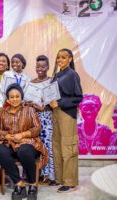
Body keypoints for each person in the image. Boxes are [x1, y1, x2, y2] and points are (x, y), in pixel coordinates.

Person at [0, 83, 48, 200]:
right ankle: (19, 183)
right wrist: (7, 136)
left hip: (28, 141)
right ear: (7, 99)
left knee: (24, 151)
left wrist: (22, 135)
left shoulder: (30, 110)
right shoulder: (2, 112)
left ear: (21, 97)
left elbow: (37, 128)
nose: (14, 99)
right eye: (12, 97)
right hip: (9, 141)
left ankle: (33, 184)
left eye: (17, 96)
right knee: (1, 152)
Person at [49, 48, 83, 193]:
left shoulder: (72, 75)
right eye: (58, 57)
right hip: (55, 113)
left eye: (63, 57)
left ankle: (70, 181)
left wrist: (60, 103)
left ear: (70, 59)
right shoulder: (57, 75)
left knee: (68, 146)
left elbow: (78, 97)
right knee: (57, 145)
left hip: (66, 114)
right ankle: (60, 178)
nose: (60, 60)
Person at [25, 55, 57, 186]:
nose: (40, 69)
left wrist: (43, 108)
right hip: (35, 119)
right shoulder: (31, 83)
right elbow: (26, 102)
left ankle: (51, 176)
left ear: (48, 67)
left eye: (43, 66)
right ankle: (40, 174)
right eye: (38, 66)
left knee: (48, 146)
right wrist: (29, 104)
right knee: (38, 146)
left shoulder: (52, 82)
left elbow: (55, 102)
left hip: (48, 118)